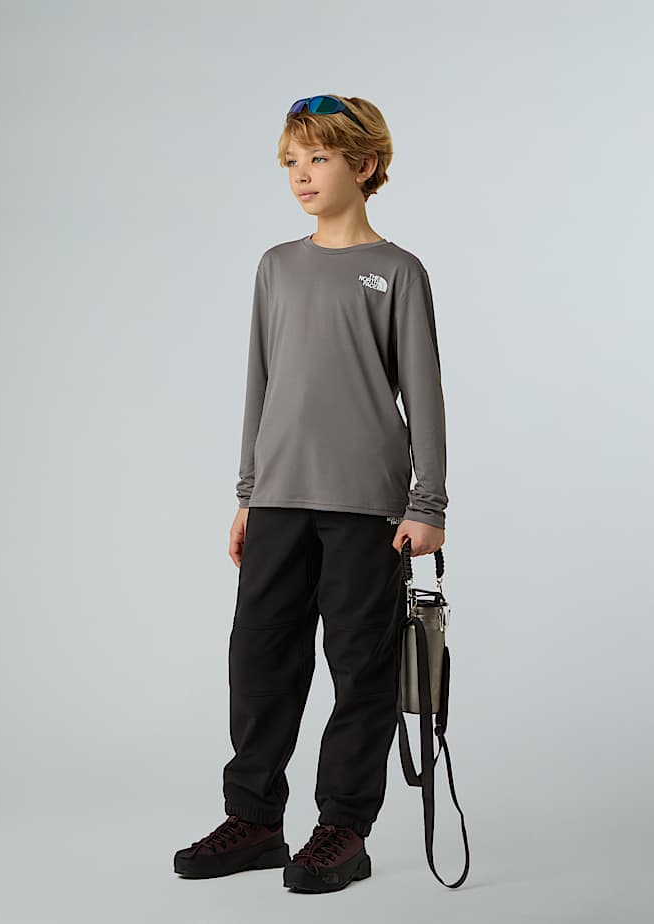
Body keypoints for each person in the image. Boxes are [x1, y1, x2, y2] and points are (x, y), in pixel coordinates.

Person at [173, 93, 448, 893]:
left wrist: (427, 503)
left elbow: (424, 394)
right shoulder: (276, 267)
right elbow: (260, 384)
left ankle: (343, 830)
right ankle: (255, 820)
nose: (301, 174)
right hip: (280, 498)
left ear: (363, 165)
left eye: (318, 158)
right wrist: (248, 493)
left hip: (368, 505)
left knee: (361, 667)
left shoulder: (397, 271)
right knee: (259, 659)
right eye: (291, 161)